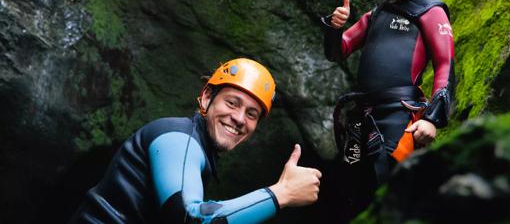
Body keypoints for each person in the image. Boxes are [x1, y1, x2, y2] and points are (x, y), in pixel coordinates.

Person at [70, 58, 322, 223]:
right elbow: (190, 218)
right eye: (232, 103)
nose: (238, 118)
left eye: (251, 114)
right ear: (205, 98)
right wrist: (283, 192)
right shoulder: (178, 138)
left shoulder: (199, 152)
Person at [322, 0, 455, 219]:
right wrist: (334, 28)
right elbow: (338, 51)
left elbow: (445, 64)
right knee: (351, 190)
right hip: (360, 119)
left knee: (391, 188)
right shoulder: (376, 15)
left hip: (399, 116)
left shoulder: (432, 12)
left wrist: (433, 119)